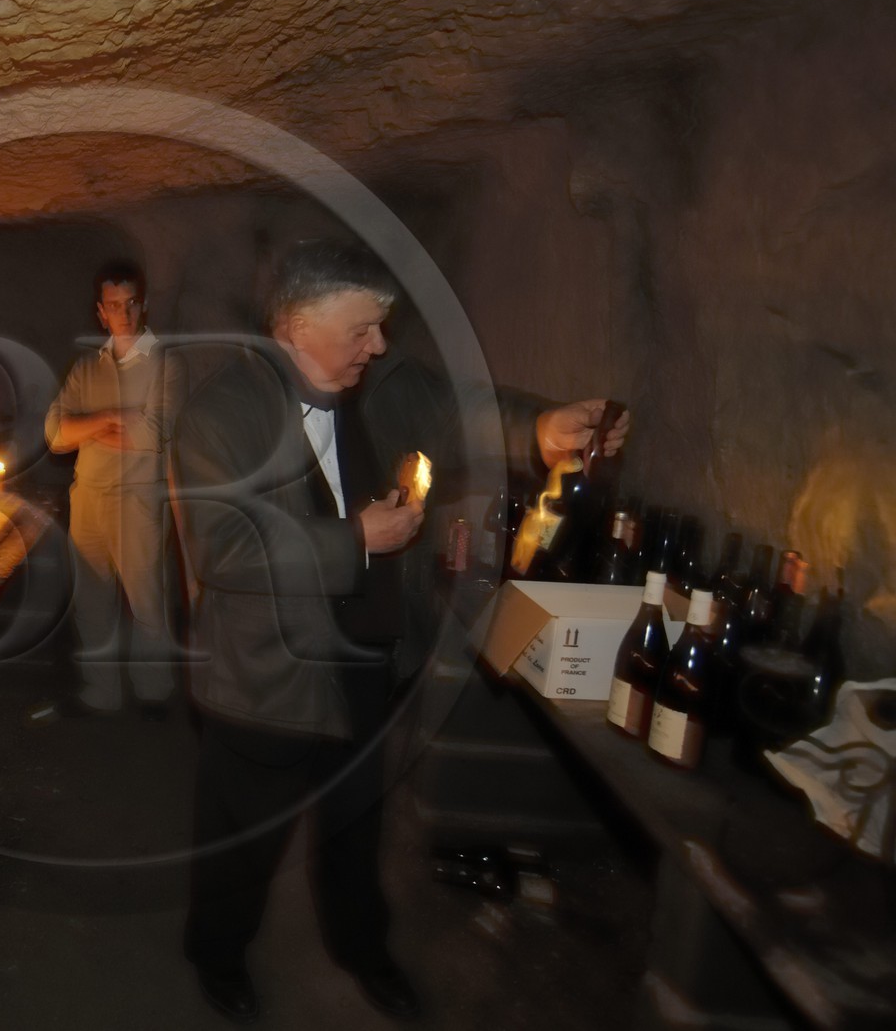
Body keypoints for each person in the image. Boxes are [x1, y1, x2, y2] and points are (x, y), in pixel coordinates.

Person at [170, 239, 628, 1022]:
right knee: (243, 844)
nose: (377, 345)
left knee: (355, 833)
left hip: (367, 664)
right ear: (295, 326)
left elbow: (464, 412)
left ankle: (363, 950)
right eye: (361, 329)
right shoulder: (220, 413)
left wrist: (542, 428)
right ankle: (219, 956)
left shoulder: (385, 385)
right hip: (263, 682)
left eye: (380, 328)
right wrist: (355, 540)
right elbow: (224, 546)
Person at [44, 262, 185, 717]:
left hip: (139, 499)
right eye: (113, 306)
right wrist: (110, 418)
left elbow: (152, 433)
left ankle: (153, 692)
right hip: (88, 496)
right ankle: (100, 692)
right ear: (100, 312)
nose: (122, 313)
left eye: (130, 303)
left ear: (142, 305)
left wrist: (85, 427)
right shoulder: (88, 366)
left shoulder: (166, 361)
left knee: (147, 602)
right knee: (92, 601)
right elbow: (53, 433)